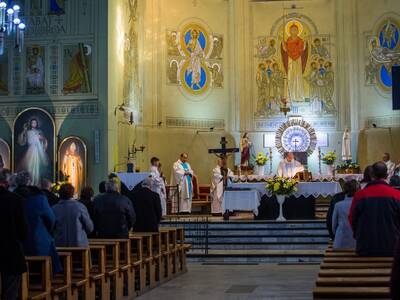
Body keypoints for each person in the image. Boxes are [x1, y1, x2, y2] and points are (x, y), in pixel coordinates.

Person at [14, 171, 62, 274]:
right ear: (31, 181)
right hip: (37, 242)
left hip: (17, 246)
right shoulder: (39, 198)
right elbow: (51, 219)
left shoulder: (12, 197)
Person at [349, 162, 400, 256]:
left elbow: (352, 219)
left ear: (371, 174)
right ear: (387, 175)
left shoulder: (359, 195)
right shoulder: (397, 195)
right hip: (392, 248)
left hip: (365, 248)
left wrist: (359, 235)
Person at [0, 169, 27, 300]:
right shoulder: (15, 200)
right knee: (10, 293)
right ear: (5, 182)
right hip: (10, 252)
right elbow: (22, 231)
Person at [52, 183, 93, 247]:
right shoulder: (80, 207)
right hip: (78, 245)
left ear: (59, 194)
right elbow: (90, 227)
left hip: (60, 245)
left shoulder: (54, 209)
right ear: (72, 193)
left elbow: (51, 227)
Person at [17, 118, 50, 186]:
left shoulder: (39, 132)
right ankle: (30, 182)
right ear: (30, 124)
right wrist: (24, 130)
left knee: (37, 167)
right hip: (30, 150)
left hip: (37, 151)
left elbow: (44, 141)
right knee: (29, 166)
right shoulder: (28, 131)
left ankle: (36, 182)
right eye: (32, 123)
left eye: (35, 123)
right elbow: (22, 141)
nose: (34, 124)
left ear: (37, 124)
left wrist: (41, 138)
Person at [332, 180, 360, 249]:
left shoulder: (338, 205)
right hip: (357, 240)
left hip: (341, 239)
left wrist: (338, 234)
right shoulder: (360, 204)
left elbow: (334, 225)